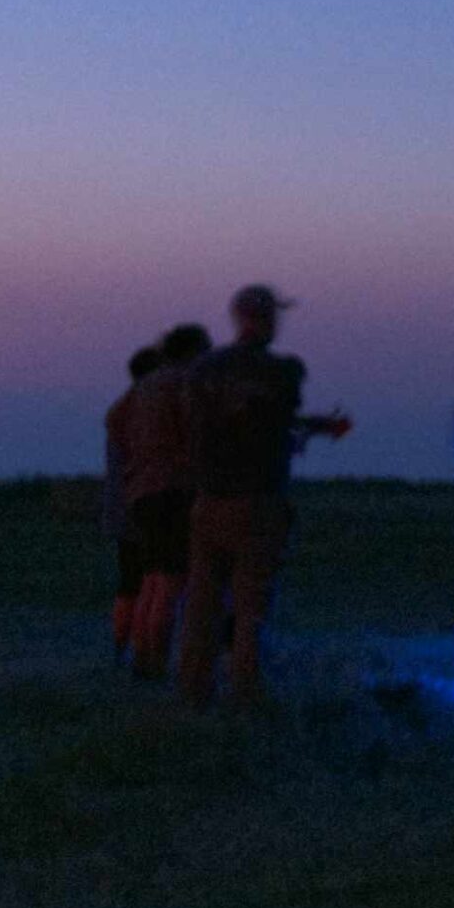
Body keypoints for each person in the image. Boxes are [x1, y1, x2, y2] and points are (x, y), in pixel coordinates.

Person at [177, 286, 352, 708]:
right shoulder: (283, 371)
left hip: (208, 499)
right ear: (266, 319)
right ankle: (245, 690)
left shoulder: (202, 370)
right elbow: (275, 423)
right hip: (257, 499)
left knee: (202, 601)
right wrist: (317, 429)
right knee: (252, 602)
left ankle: (194, 690)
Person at [121, 321, 212, 679]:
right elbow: (196, 435)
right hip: (173, 490)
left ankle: (143, 659)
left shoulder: (144, 387)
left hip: (142, 493)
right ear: (192, 352)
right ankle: (157, 664)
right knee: (173, 582)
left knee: (152, 580)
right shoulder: (184, 384)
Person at [103, 345, 161, 662]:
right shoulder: (145, 410)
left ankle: (121, 648)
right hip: (143, 506)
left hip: (121, 508)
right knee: (152, 581)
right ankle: (143, 651)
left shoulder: (120, 409)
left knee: (129, 583)